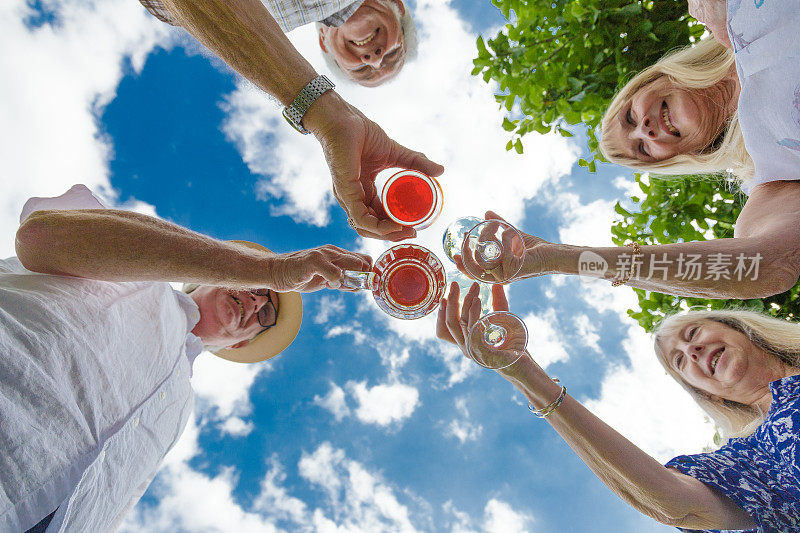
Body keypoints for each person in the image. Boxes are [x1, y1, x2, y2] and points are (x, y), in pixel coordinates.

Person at [1, 184, 372, 532]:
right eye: (257, 288)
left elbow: (118, 498)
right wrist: (268, 270)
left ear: (241, 344)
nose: (259, 300)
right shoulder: (141, 269)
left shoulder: (180, 408)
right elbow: (40, 238)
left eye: (266, 315)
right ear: (211, 275)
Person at [436, 282, 800, 532]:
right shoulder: (752, 459)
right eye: (680, 362)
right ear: (710, 395)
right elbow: (676, 502)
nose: (692, 351)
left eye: (692, 335)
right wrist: (527, 375)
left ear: (740, 329)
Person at [138, 0, 442, 240]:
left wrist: (329, 116)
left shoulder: (257, 24)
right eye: (392, 54)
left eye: (363, 71)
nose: (373, 60)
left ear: (324, 42)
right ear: (397, 5)